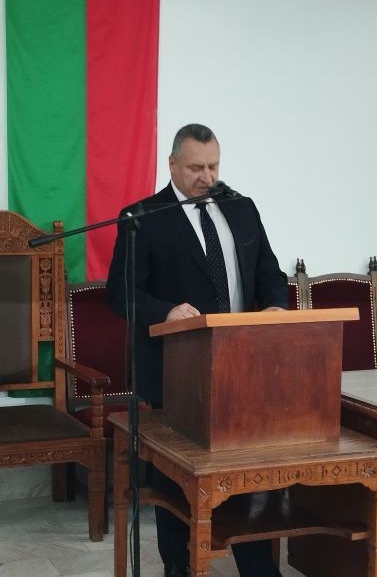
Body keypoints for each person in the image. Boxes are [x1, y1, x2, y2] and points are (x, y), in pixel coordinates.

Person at [106, 123, 287, 577]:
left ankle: (257, 568)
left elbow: (270, 273)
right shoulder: (142, 218)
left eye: (213, 166)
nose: (207, 177)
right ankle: (179, 566)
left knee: (247, 476)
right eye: (195, 168)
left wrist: (275, 307)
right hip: (176, 372)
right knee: (176, 480)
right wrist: (164, 311)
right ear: (172, 165)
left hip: (242, 368)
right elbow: (120, 293)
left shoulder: (241, 208)